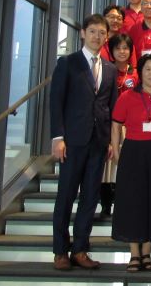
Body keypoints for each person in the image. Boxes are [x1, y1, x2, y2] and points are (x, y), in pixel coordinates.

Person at [50, 14, 118, 270]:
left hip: (98, 142)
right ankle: (60, 251)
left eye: (102, 33)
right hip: (72, 141)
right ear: (82, 33)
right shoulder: (68, 63)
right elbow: (56, 102)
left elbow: (110, 106)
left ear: (106, 36)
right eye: (92, 31)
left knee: (90, 198)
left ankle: (80, 249)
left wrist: (110, 140)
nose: (97, 36)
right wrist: (58, 137)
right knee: (66, 196)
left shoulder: (110, 69)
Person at [110, 54, 151, 272]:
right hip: (134, 153)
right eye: (148, 69)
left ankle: (147, 251)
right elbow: (116, 125)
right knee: (133, 201)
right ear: (140, 72)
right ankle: (134, 253)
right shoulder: (127, 96)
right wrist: (116, 152)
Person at [99, 34, 138, 218]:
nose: (122, 52)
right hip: (109, 123)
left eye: (125, 48)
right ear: (111, 51)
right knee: (108, 165)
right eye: (118, 48)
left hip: (130, 124)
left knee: (125, 165)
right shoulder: (106, 70)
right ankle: (106, 204)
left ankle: (124, 203)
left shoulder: (136, 73)